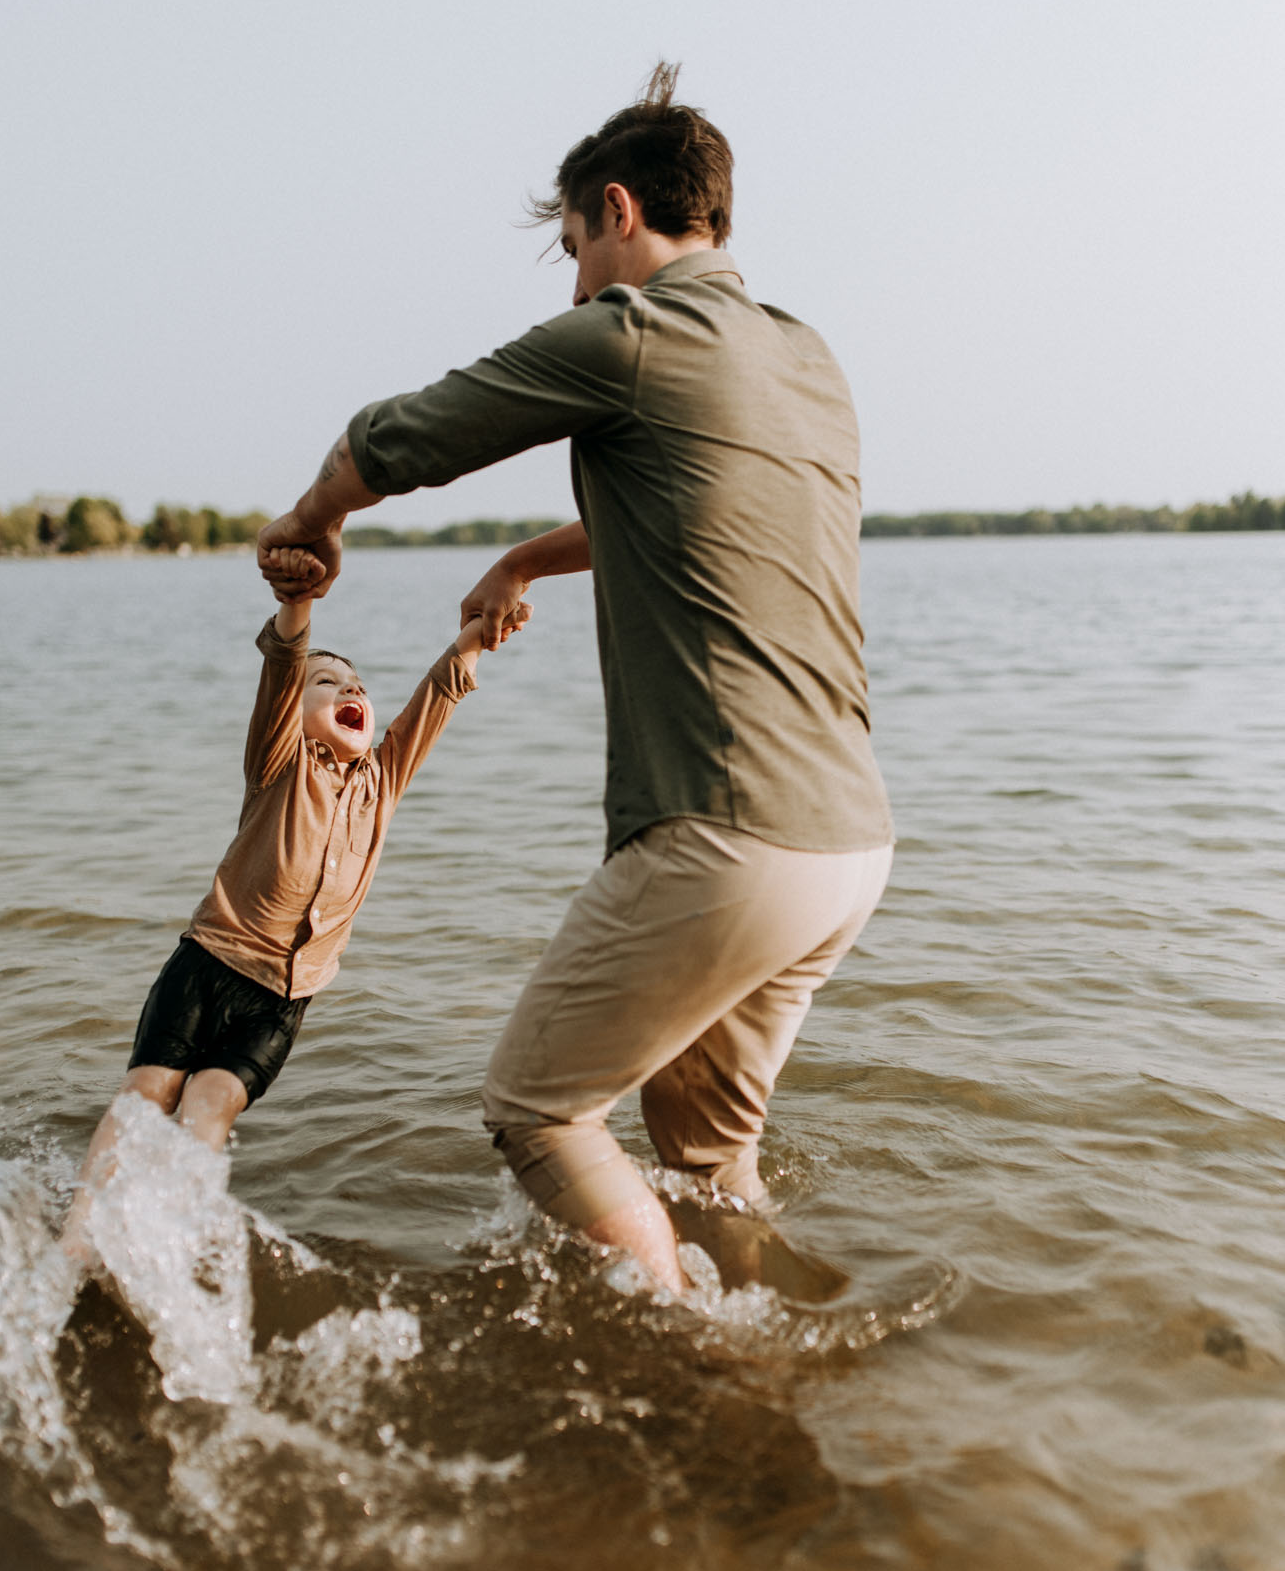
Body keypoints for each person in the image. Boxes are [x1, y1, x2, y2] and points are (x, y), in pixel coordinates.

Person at [256, 63, 894, 1294]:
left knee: (538, 1109)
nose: (575, 278)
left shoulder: (635, 332)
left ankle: (689, 1360)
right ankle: (765, 1361)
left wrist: (313, 515)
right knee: (707, 1155)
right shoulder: (804, 360)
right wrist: (527, 558)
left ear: (615, 209)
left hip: (726, 827)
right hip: (847, 842)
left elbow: (404, 435)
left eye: (570, 247)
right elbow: (694, 503)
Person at [63, 555, 526, 1260]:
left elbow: (436, 697)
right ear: (299, 714)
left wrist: (473, 638)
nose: (351, 690)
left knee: (210, 1104)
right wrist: (298, 607)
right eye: (329, 682)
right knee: (146, 1092)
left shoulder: (384, 779)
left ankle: (166, 1244)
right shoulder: (279, 763)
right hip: (207, 965)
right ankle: (78, 1238)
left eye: (359, 686)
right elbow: (282, 668)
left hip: (282, 1000)